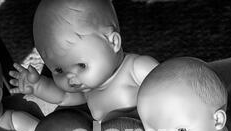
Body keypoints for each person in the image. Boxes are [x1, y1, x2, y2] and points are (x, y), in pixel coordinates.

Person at [9, 0, 158, 122]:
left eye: (81, 65)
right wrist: (38, 86)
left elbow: (173, 84)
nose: (71, 78)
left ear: (113, 43)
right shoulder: (88, 90)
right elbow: (63, 97)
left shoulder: (136, 68)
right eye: (59, 70)